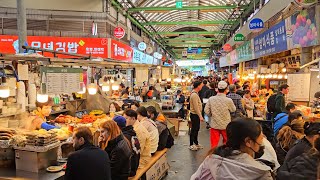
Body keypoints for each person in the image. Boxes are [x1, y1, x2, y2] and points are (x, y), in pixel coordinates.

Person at [191, 118, 273, 180]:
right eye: (261, 138)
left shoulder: (211, 160)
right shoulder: (261, 173)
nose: (262, 143)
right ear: (248, 142)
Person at [205, 81, 236, 148]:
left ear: (217, 89)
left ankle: (213, 155)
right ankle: (225, 155)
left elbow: (206, 111)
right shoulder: (228, 100)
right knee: (227, 142)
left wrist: (212, 115)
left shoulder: (211, 99)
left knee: (214, 144)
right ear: (226, 90)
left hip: (214, 124)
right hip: (226, 124)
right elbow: (233, 110)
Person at [189, 81, 204, 151]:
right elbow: (196, 107)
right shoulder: (194, 95)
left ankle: (196, 143)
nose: (202, 86)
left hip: (196, 115)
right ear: (198, 86)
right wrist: (200, 116)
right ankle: (191, 144)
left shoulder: (195, 94)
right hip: (194, 115)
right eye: (201, 85)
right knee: (194, 129)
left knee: (196, 129)